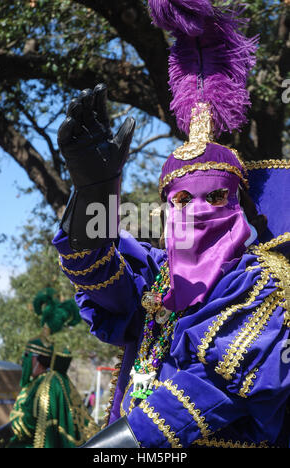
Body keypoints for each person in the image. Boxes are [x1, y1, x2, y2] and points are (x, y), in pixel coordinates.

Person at [52, 0, 290, 448]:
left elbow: (215, 389)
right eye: (180, 200)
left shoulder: (263, 287)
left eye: (216, 197)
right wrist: (93, 194)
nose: (197, 211)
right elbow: (100, 274)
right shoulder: (155, 278)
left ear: (238, 204)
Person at [0, 291, 99, 448]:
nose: (24, 360)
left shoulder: (49, 383)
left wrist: (1, 433)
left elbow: (29, 421)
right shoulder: (35, 383)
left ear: (37, 359)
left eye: (27, 355)